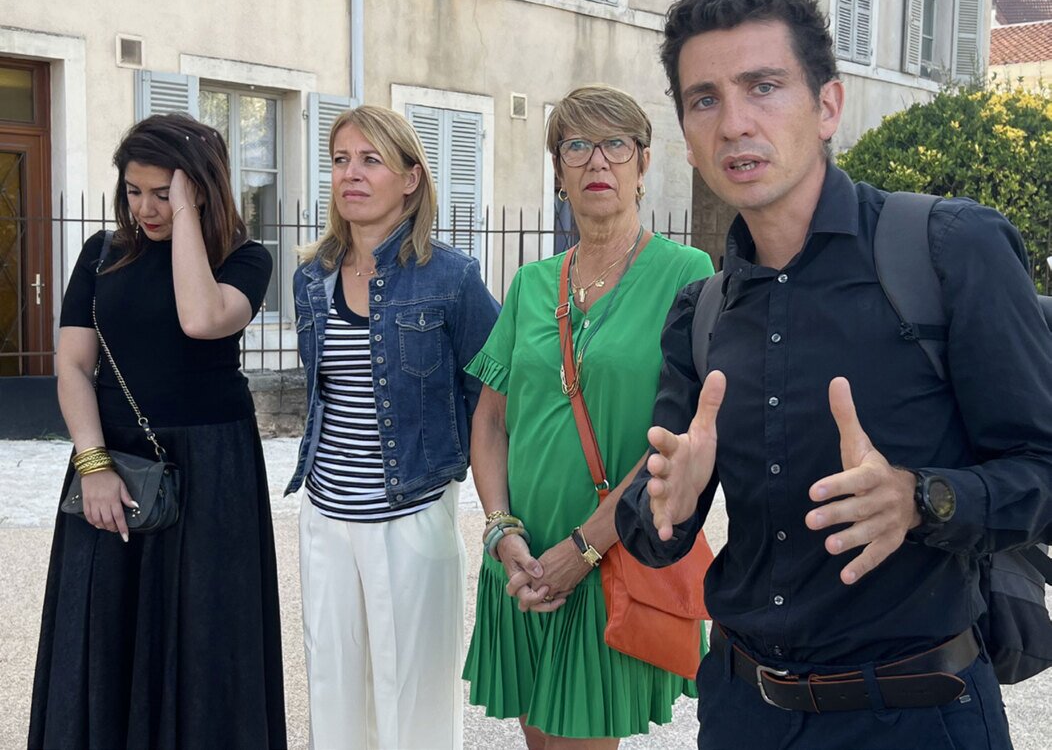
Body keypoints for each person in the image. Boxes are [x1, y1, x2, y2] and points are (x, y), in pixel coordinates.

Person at [614, 0, 1052, 750]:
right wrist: (664, 506)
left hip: (920, 715)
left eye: (764, 86)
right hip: (746, 714)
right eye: (704, 99)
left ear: (827, 105)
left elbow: (1042, 472)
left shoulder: (951, 254)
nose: (734, 123)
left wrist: (922, 498)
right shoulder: (703, 312)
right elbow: (652, 530)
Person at [463, 84, 714, 748]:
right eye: (576, 145)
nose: (596, 161)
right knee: (541, 740)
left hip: (604, 554)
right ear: (558, 170)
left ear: (643, 163)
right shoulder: (532, 283)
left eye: (615, 145)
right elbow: (491, 419)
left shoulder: (687, 273)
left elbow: (681, 438)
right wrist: (500, 532)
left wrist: (584, 547)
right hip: (523, 558)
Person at [29, 113, 286, 748]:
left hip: (213, 466)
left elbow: (201, 319)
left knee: (205, 632)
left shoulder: (247, 258)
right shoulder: (101, 254)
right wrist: (93, 466)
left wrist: (188, 219)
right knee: (102, 629)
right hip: (111, 456)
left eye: (163, 192)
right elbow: (72, 364)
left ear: (198, 187)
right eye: (134, 191)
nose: (146, 207)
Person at [287, 105, 499, 750]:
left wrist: (474, 490)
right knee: (334, 684)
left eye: (370, 159)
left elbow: (491, 395)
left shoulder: (451, 277)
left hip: (410, 513)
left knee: (415, 696)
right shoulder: (312, 277)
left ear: (410, 178)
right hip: (325, 512)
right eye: (340, 159)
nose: (351, 173)